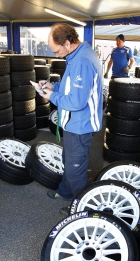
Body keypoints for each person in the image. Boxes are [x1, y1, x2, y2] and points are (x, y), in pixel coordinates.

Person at [38, 23, 103, 201]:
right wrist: (54, 86)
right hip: (73, 123)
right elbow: (70, 88)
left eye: (56, 51)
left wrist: (51, 96)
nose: (56, 55)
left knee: (76, 171)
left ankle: (83, 208)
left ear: (67, 43)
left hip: (80, 125)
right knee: (69, 162)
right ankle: (65, 192)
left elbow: (76, 101)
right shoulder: (76, 56)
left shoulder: (82, 61)